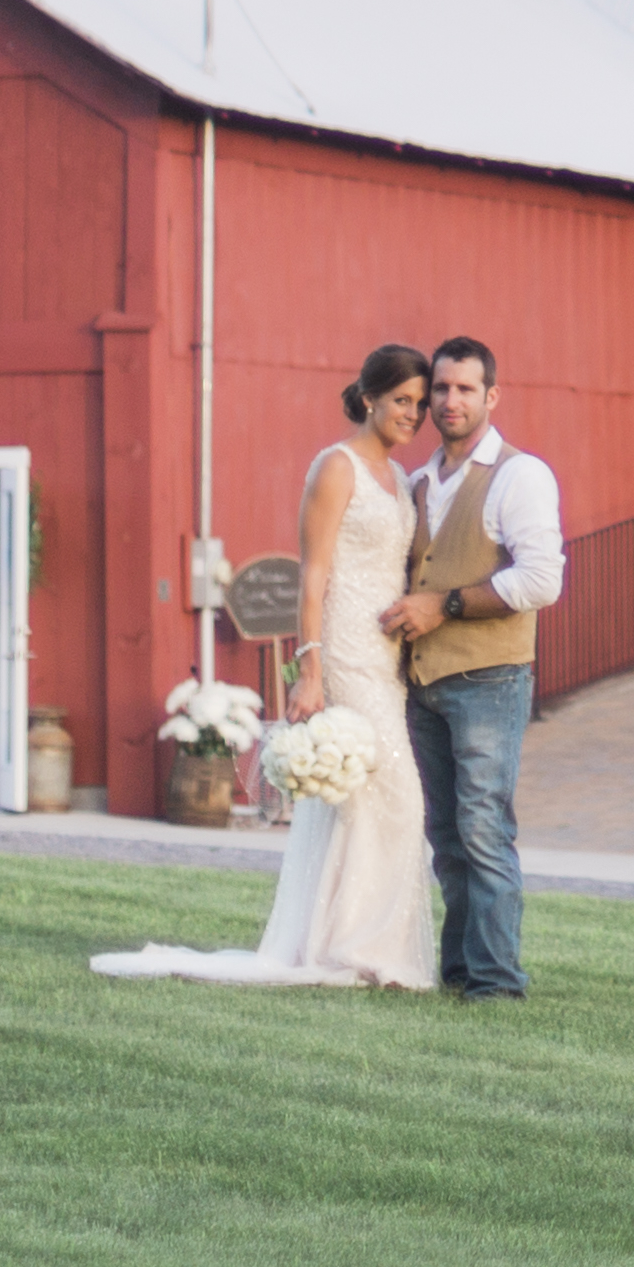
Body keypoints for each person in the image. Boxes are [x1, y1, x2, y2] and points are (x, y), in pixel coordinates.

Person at [90, 347, 444, 991]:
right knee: (397, 795)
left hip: (387, 658)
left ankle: (354, 946)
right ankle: (355, 947)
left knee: (368, 801)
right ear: (369, 397)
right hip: (342, 649)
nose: (414, 415)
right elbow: (312, 573)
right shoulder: (336, 468)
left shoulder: (400, 479)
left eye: (420, 405)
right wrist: (309, 670)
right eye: (403, 401)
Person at [376, 334, 560, 999]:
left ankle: (497, 980)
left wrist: (445, 606)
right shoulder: (420, 482)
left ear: (491, 396)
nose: (449, 401)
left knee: (484, 830)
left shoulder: (520, 475)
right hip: (421, 684)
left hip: (488, 680)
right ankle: (459, 970)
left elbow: (541, 581)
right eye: (441, 390)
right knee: (446, 838)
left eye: (464, 389)